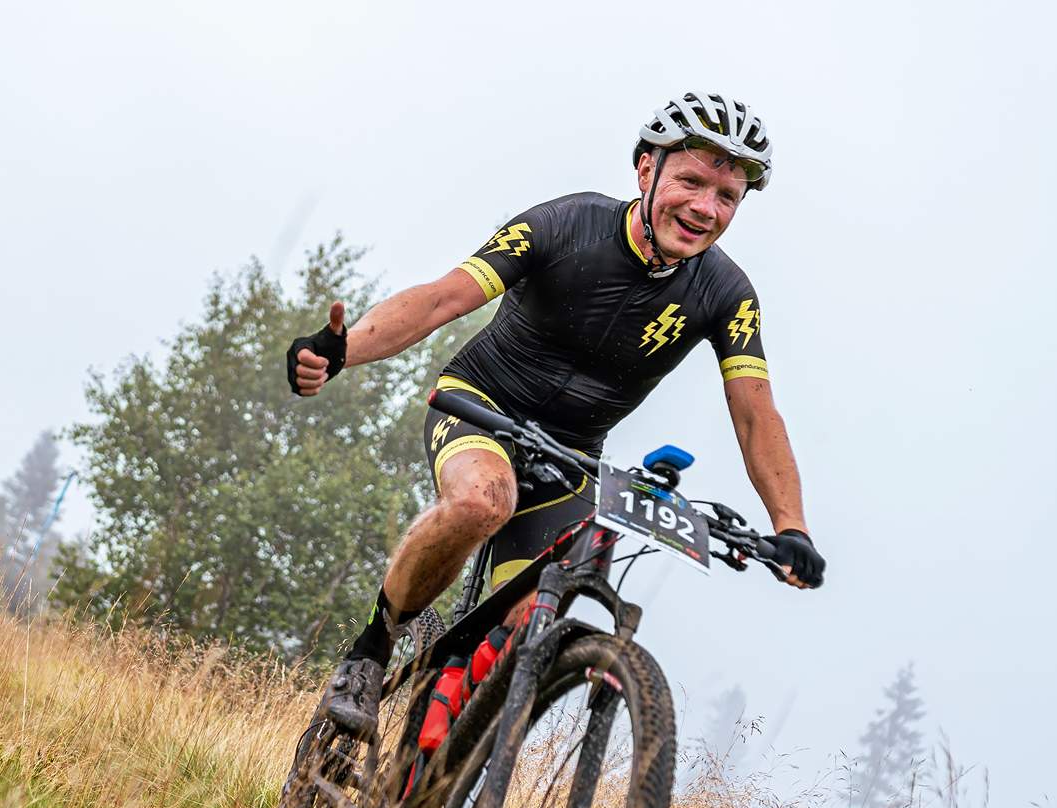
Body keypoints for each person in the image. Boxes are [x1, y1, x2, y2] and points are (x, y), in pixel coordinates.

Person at [286, 91, 826, 738]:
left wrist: (791, 527)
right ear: (646, 169)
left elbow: (755, 413)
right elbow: (442, 300)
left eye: (727, 197)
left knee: (528, 632)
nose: (706, 208)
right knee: (483, 501)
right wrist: (342, 351)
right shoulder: (566, 224)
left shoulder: (727, 293)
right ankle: (369, 654)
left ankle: (435, 772)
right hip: (483, 405)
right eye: (691, 181)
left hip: (571, 455)